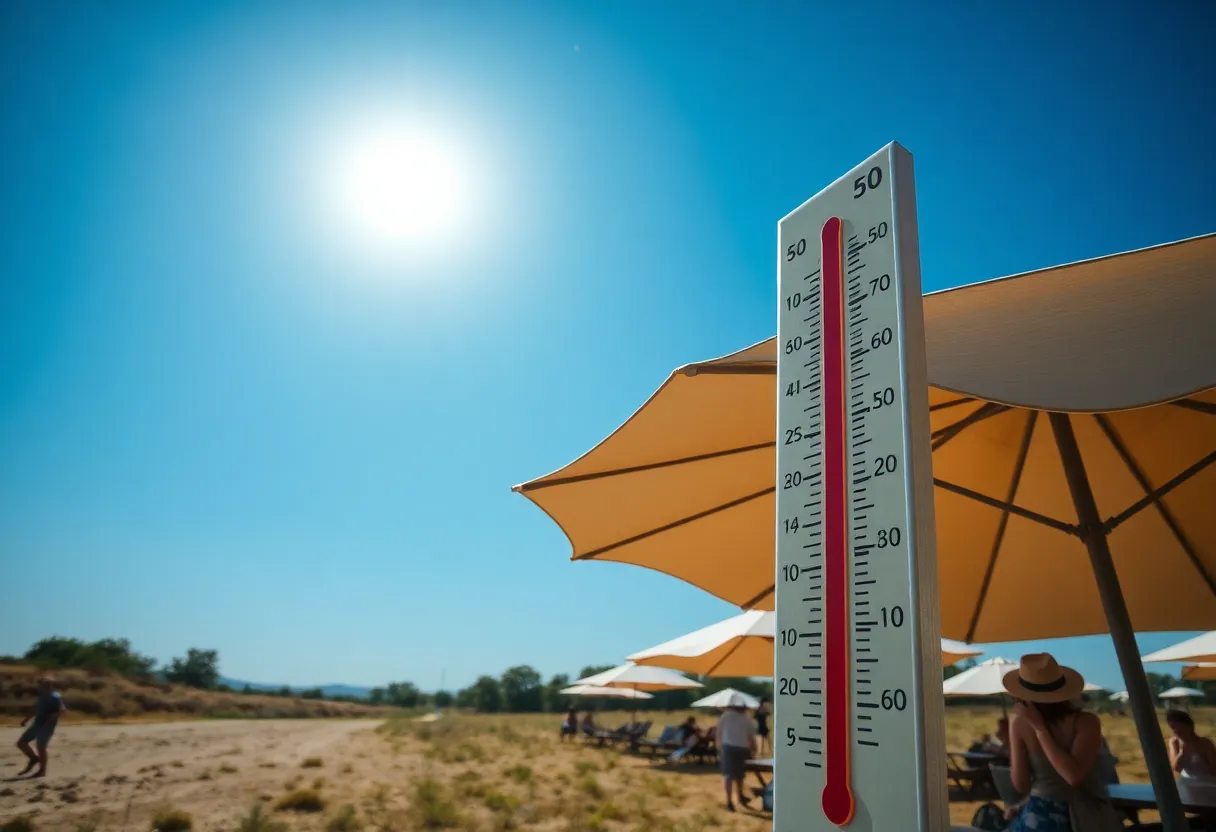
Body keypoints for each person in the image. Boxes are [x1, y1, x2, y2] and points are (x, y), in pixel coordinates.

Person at [1002, 653, 1122, 832]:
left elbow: (1070, 776)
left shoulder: (1020, 723)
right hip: (1089, 816)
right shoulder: (1086, 721)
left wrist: (1040, 729)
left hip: (1044, 816)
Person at [17, 678, 65, 778]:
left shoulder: (55, 697)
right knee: (21, 743)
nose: (43, 687)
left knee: (41, 747)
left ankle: (42, 771)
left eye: (46, 685)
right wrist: (26, 720)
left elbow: (62, 710)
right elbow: (35, 709)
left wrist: (54, 716)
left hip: (47, 725)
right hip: (37, 723)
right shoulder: (42, 697)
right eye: (43, 685)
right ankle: (34, 759)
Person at [716, 696, 757, 812]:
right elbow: (751, 738)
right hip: (742, 748)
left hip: (728, 748)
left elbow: (719, 732)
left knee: (728, 775)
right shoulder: (746, 719)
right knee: (739, 775)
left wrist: (718, 747)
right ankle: (739, 796)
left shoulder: (725, 716)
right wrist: (754, 750)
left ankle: (729, 801)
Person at [1167, 709, 1216, 779]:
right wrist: (1180, 753)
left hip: (1207, 782)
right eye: (1172, 727)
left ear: (1188, 727)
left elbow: (1214, 770)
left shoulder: (1205, 743)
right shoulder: (1174, 742)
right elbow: (1176, 768)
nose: (1174, 731)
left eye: (1176, 727)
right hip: (1187, 784)